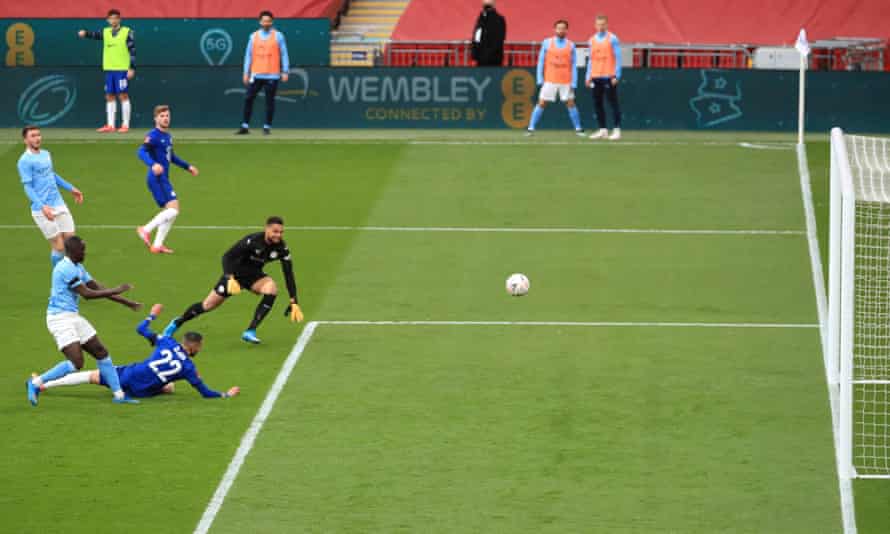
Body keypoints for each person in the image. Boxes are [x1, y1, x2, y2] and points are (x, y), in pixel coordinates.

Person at [26, 236, 142, 406]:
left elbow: (98, 288)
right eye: (82, 250)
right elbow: (87, 294)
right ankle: (35, 384)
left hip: (72, 316)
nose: (85, 253)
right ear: (73, 251)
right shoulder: (65, 268)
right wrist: (117, 289)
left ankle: (119, 395)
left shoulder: (78, 267)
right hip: (59, 319)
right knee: (76, 362)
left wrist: (126, 302)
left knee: (100, 352)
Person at [38, 304, 241, 400]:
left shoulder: (167, 342)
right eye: (200, 347)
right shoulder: (188, 368)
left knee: (91, 376)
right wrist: (225, 394)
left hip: (130, 375)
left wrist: (151, 316)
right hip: (143, 392)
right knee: (169, 387)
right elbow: (205, 393)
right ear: (193, 346)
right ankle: (45, 384)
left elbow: (141, 330)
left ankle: (45, 384)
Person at [163, 216, 304, 344]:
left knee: (271, 289)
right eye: (275, 231)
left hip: (254, 276)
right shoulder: (252, 241)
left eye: (281, 232)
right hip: (234, 275)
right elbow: (227, 257)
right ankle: (177, 323)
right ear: (266, 229)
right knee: (207, 305)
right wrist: (229, 277)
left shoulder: (281, 248)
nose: (278, 235)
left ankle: (250, 331)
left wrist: (294, 300)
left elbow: (288, 273)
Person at [136, 105, 199, 254]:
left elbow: (171, 157)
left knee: (171, 210)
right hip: (156, 178)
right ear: (156, 119)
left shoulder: (168, 136)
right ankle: (145, 229)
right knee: (173, 210)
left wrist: (187, 166)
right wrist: (153, 164)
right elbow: (140, 151)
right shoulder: (153, 135)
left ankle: (157, 245)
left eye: (167, 116)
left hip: (163, 178)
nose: (165, 118)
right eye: (162, 116)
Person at [18, 126, 84, 267]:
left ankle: (72, 275)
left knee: (71, 242)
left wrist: (71, 188)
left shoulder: (46, 154)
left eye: (38, 135)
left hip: (58, 204)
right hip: (42, 209)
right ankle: (58, 278)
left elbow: (52, 175)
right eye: (33, 136)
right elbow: (27, 187)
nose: (37, 138)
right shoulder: (24, 161)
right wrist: (42, 207)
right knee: (59, 247)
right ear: (25, 140)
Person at [77, 9, 135, 133]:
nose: (113, 20)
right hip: (109, 69)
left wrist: (131, 68)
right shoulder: (105, 32)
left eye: (116, 18)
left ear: (119, 19)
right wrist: (85, 33)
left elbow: (132, 51)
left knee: (123, 95)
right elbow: (94, 35)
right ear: (108, 20)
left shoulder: (127, 32)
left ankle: (125, 125)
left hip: (122, 69)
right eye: (111, 18)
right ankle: (110, 125)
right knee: (109, 96)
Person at [526, 20, 584, 136]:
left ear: (566, 30)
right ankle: (530, 128)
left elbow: (573, 65)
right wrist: (539, 78)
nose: (561, 30)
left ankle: (578, 129)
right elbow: (541, 61)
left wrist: (574, 82)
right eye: (558, 28)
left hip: (566, 80)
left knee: (571, 103)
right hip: (550, 79)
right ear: (555, 29)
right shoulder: (547, 43)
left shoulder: (571, 45)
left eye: (563, 28)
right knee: (541, 103)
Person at [236, 11, 290, 135]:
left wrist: (285, 71)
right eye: (264, 21)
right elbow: (248, 56)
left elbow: (284, 54)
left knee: (269, 101)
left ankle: (266, 127)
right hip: (256, 75)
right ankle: (245, 126)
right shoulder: (253, 36)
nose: (266, 23)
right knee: (248, 98)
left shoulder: (278, 36)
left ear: (272, 22)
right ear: (260, 22)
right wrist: (246, 72)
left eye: (268, 21)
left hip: (272, 75)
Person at [586, 15, 622, 140]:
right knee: (597, 103)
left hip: (609, 76)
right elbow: (591, 59)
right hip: (596, 76)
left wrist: (616, 74)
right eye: (598, 24)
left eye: (603, 24)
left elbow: (618, 57)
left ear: (607, 25)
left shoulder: (612, 39)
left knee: (613, 103)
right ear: (595, 26)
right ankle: (603, 130)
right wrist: (588, 76)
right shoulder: (591, 40)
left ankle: (617, 130)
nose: (600, 27)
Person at [471, 0, 506, 67]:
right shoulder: (481, 18)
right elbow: (477, 37)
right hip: (482, 59)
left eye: (488, 6)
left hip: (493, 59)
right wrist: (474, 55)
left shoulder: (499, 19)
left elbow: (499, 39)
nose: (486, 9)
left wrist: (482, 55)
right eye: (485, 6)